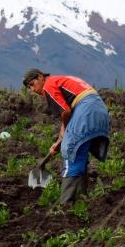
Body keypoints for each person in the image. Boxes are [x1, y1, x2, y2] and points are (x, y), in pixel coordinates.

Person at [23, 68, 110, 204]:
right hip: (99, 110)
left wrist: (63, 138)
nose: (33, 90)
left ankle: (66, 204)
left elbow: (65, 112)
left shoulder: (49, 85)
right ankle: (81, 200)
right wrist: (59, 140)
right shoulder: (60, 80)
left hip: (86, 110)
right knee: (80, 153)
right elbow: (68, 115)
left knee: (70, 150)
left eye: (32, 84)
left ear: (40, 77)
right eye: (29, 88)